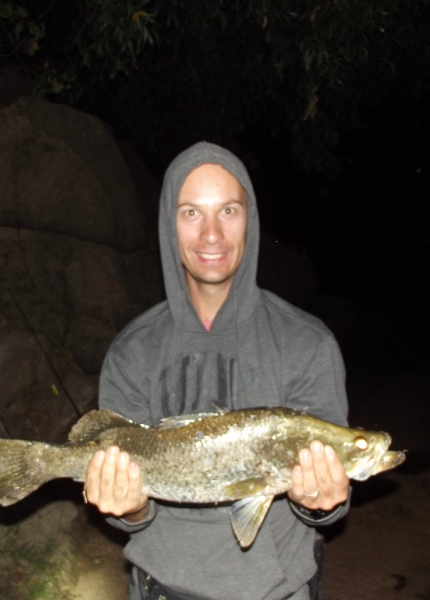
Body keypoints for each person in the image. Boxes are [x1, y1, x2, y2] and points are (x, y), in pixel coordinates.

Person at [83, 142, 350, 600]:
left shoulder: (308, 344)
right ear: (168, 224)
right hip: (159, 589)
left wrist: (321, 503)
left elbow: (328, 506)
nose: (212, 234)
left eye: (228, 210)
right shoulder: (131, 352)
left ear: (251, 220)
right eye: (191, 213)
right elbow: (132, 516)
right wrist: (126, 508)